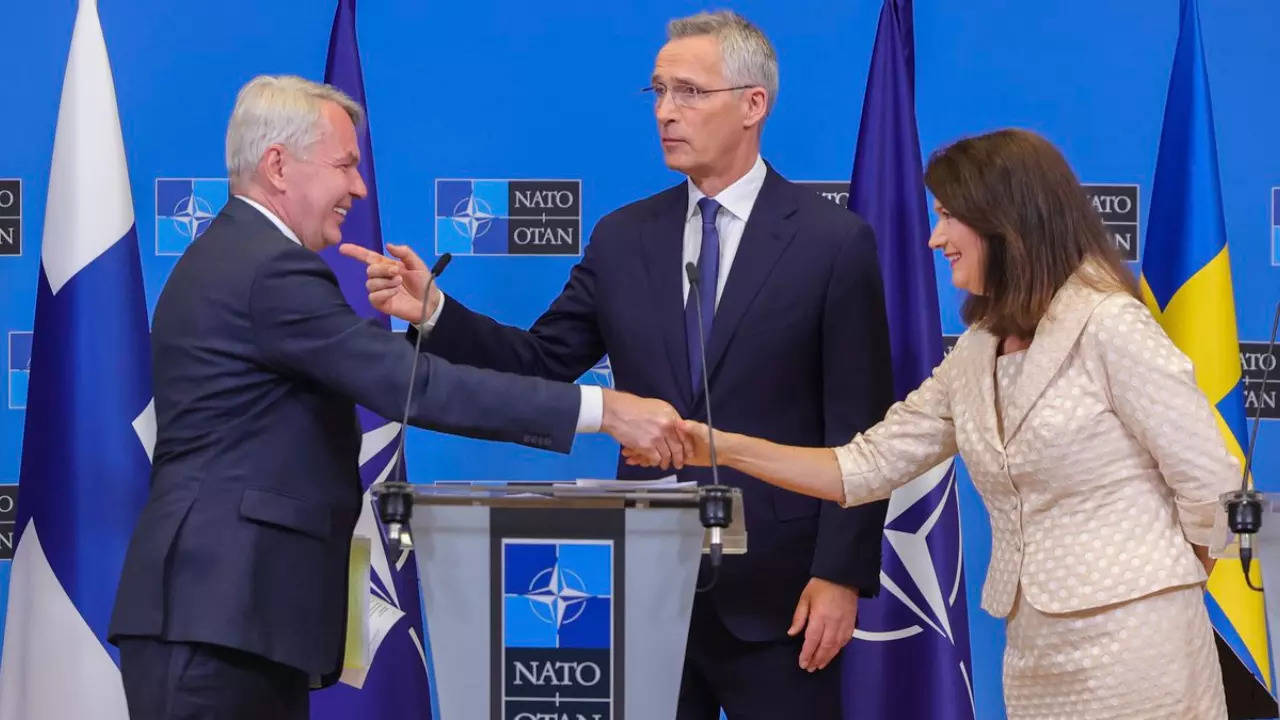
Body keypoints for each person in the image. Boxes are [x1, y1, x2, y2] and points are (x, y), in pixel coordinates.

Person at [341, 10, 894, 719]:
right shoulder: (624, 236)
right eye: (659, 92)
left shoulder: (833, 243)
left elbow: (861, 428)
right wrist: (437, 312)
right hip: (645, 587)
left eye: (690, 92)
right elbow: (542, 361)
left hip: (782, 595)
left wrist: (839, 574)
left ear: (754, 104)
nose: (667, 112)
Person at [107, 74, 687, 720]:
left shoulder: (237, 255)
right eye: (346, 165)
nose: (358, 187)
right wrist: (604, 411)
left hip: (229, 618)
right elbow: (416, 386)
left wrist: (436, 315)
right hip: (217, 621)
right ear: (278, 165)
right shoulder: (269, 269)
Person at [668, 128, 1234, 719]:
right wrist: (722, 447)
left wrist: (1160, 583)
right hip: (1036, 651)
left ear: (1004, 219)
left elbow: (1211, 483)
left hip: (1140, 646)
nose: (935, 238)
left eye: (947, 216)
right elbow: (864, 466)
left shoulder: (1110, 324)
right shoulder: (978, 348)